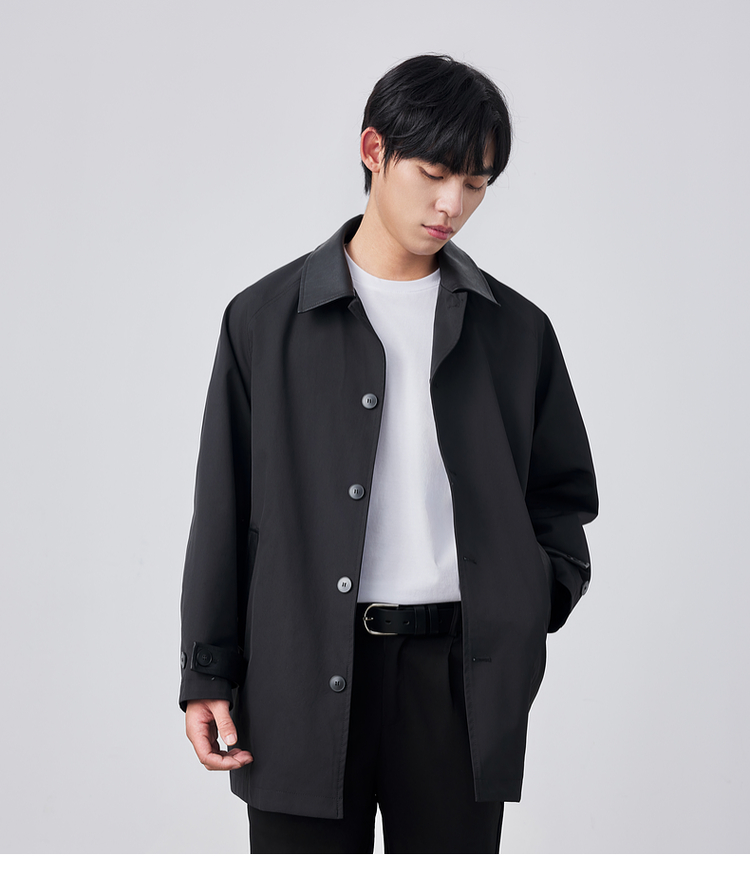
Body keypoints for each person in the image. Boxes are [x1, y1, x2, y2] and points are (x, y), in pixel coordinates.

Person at [179, 53, 598, 854]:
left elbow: (560, 500)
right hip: (297, 673)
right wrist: (206, 671)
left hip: (456, 684)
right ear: (374, 150)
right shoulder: (264, 321)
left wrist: (527, 602)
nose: (452, 205)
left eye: (475, 184)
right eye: (434, 173)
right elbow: (223, 510)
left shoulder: (516, 332)